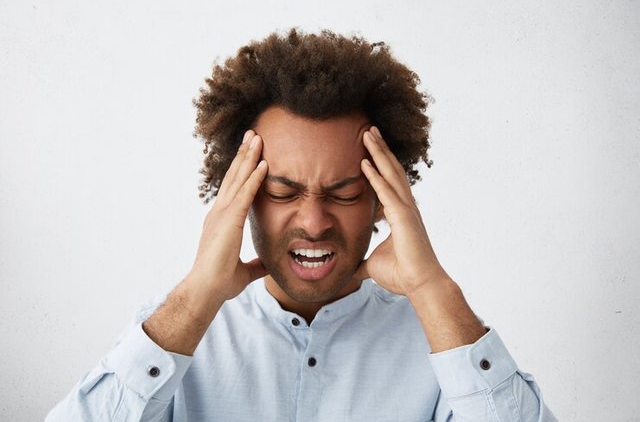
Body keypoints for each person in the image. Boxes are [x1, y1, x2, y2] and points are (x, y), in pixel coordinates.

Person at [47, 29, 556, 421]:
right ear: (240, 198)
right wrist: (198, 295)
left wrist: (432, 289)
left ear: (383, 202)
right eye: (282, 192)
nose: (313, 222)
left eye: (344, 193)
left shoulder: (441, 341)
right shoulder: (175, 333)